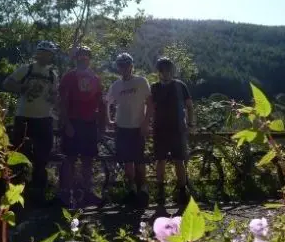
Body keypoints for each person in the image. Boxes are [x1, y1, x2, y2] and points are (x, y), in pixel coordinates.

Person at [3, 40, 58, 204]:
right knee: (19, 156)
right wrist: (22, 88)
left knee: (42, 157)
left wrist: (53, 98)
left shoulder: (52, 75)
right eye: (45, 53)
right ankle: (14, 196)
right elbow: (7, 83)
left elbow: (54, 95)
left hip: (44, 119)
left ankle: (38, 195)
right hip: (24, 118)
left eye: (50, 54)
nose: (48, 56)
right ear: (39, 54)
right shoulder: (26, 70)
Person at [58, 45, 106, 208]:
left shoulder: (95, 78)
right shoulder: (69, 77)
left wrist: (101, 127)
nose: (83, 58)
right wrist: (67, 123)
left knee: (88, 160)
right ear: (76, 58)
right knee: (69, 159)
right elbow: (62, 102)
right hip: (73, 122)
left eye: (86, 56)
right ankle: (65, 194)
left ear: (89, 59)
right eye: (80, 55)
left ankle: (87, 194)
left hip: (90, 124)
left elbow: (101, 104)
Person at [106, 53, 152, 207]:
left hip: (137, 127)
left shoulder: (141, 81)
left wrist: (146, 123)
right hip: (122, 127)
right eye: (122, 66)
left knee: (139, 160)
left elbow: (150, 103)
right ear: (119, 68)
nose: (125, 69)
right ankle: (131, 190)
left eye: (127, 65)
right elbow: (106, 102)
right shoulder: (116, 85)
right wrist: (108, 119)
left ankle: (143, 189)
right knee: (127, 161)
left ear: (132, 66)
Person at [149, 57, 195, 205]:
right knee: (160, 161)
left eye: (168, 70)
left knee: (179, 161)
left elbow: (189, 106)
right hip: (160, 129)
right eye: (162, 70)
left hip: (178, 130)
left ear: (171, 71)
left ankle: (182, 191)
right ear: (159, 72)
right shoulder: (154, 87)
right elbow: (150, 108)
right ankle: (160, 192)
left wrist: (190, 123)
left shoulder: (180, 85)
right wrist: (148, 124)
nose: (165, 73)